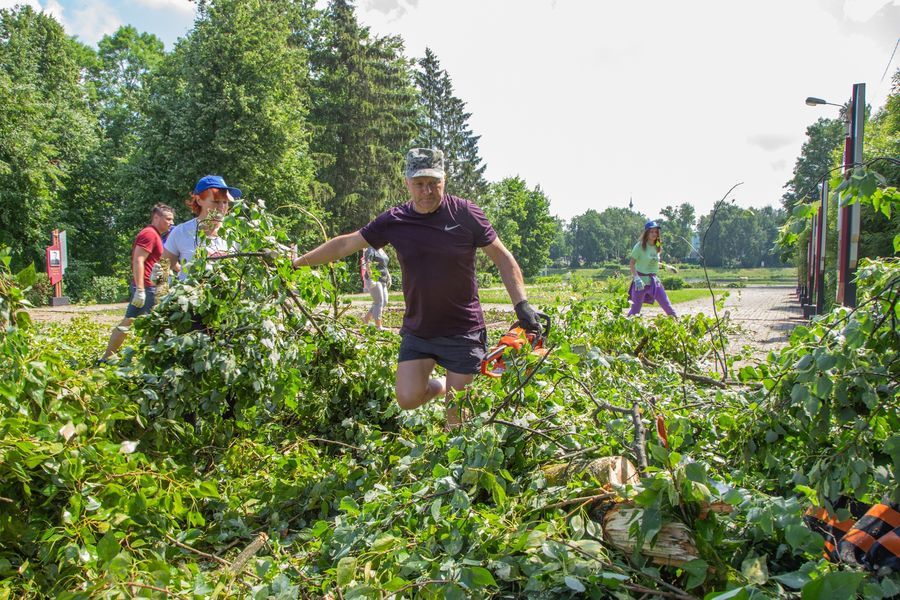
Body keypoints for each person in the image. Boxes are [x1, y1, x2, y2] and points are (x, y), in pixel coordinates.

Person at [292, 148, 542, 425]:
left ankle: (456, 450)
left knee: (457, 421)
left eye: (434, 183)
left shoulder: (465, 213)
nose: (427, 191)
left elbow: (504, 259)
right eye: (419, 184)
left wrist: (522, 305)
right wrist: (297, 263)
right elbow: (346, 243)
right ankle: (446, 386)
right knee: (407, 398)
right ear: (407, 183)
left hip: (463, 331)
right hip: (419, 330)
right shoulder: (394, 221)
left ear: (444, 180)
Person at [100, 203, 175, 360]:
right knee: (153, 325)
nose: (171, 223)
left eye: (172, 219)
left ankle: (106, 358)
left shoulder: (156, 236)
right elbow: (138, 260)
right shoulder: (149, 234)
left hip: (152, 287)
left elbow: (163, 260)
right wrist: (140, 290)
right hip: (148, 288)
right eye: (168, 219)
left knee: (130, 321)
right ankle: (147, 360)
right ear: (156, 217)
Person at [162, 175, 241, 279]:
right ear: (199, 200)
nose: (222, 207)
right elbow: (162, 271)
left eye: (225, 202)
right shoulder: (181, 232)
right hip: (190, 294)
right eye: (216, 201)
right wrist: (159, 283)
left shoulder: (235, 234)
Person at [627, 220, 676, 317]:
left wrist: (667, 267)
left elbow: (654, 260)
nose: (654, 234)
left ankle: (677, 323)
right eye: (651, 232)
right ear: (647, 233)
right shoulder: (639, 246)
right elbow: (632, 264)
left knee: (667, 305)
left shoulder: (658, 245)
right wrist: (636, 278)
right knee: (635, 311)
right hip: (640, 282)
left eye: (656, 232)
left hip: (654, 282)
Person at [361, 246, 391, 329]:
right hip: (374, 278)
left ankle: (366, 319)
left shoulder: (381, 250)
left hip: (383, 279)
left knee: (384, 302)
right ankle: (378, 326)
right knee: (379, 302)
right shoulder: (370, 250)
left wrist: (389, 276)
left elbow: (384, 265)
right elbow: (368, 265)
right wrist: (371, 279)